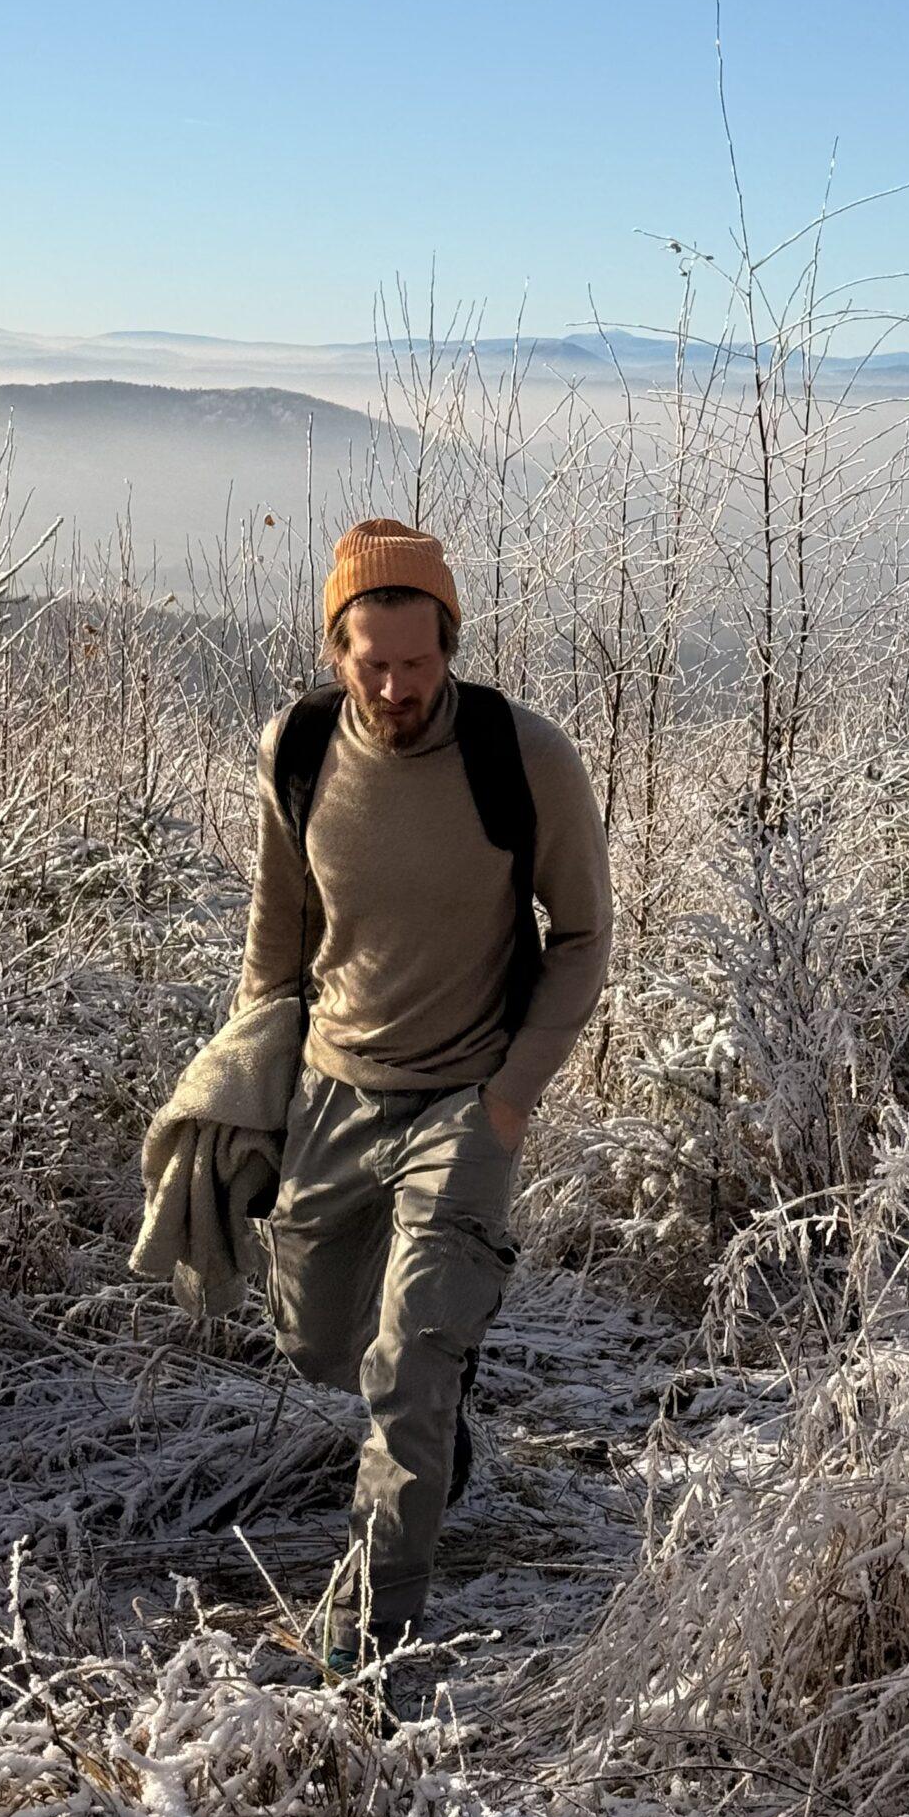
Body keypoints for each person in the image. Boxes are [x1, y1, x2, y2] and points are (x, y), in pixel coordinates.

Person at [239, 517, 613, 1659]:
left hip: (466, 1100)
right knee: (316, 1342)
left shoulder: (523, 756)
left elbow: (585, 934)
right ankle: (445, 1402)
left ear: (449, 644)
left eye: (418, 660)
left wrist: (511, 1098)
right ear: (333, 650)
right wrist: (249, 1079)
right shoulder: (296, 750)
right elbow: (277, 934)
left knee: (407, 1371)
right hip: (334, 1090)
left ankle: (370, 1644)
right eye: (372, 660)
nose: (397, 685)